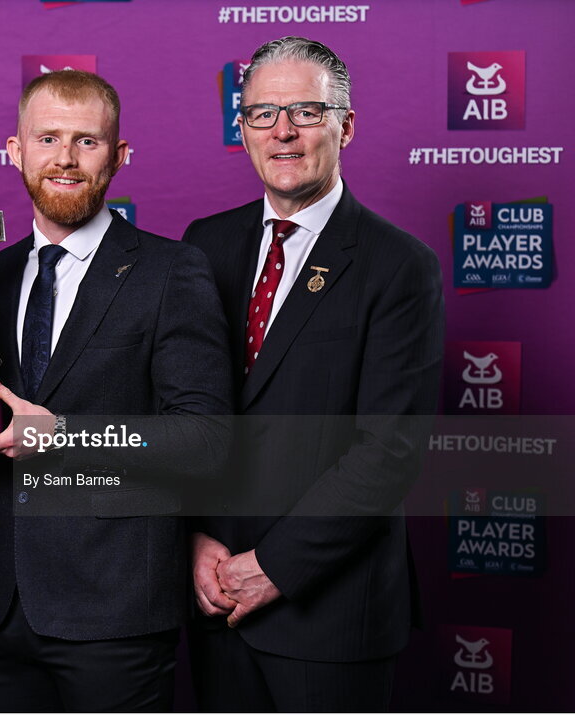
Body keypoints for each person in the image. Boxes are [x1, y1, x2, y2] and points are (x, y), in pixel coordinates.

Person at [0, 70, 232, 711]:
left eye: (86, 141)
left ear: (119, 157)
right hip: (2, 605)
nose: (64, 158)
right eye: (48, 138)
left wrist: (63, 439)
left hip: (113, 610)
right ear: (16, 150)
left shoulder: (170, 271)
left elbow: (206, 441)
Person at [182, 37, 444, 711]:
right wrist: (195, 534)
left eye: (305, 110)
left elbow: (388, 451)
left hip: (332, 616)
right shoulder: (203, 246)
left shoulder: (399, 266)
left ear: (345, 125)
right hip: (214, 599)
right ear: (241, 130)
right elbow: (184, 412)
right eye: (263, 114)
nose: (284, 131)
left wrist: (273, 566)